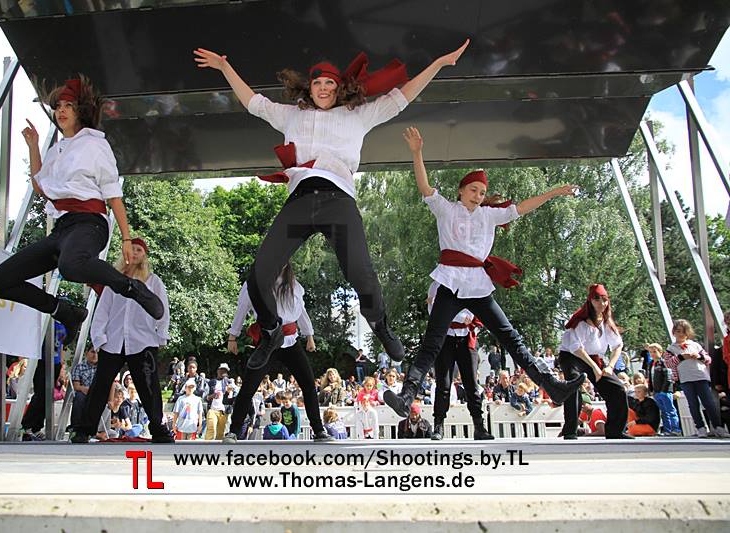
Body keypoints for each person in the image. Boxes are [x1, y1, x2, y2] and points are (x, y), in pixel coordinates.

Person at [193, 39, 472, 372]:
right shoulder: (291, 116)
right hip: (300, 200)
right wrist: (225, 67)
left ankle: (380, 324)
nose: (323, 88)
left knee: (361, 274)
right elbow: (253, 102)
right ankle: (270, 331)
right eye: (317, 83)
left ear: (339, 89)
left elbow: (402, 97)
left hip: (337, 200)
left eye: (329, 83)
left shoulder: (357, 116)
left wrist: (438, 64)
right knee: (258, 277)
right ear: (309, 88)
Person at [385, 127, 583, 418]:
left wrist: (554, 192)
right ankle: (407, 396)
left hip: (478, 286)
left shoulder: (490, 215)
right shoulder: (446, 210)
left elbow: (522, 207)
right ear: (461, 190)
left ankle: (551, 385)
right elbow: (425, 187)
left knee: (510, 337)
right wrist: (417, 153)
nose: (478, 196)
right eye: (473, 190)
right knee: (432, 342)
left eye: (482, 192)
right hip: (450, 282)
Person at [0, 76, 163, 346]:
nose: (61, 111)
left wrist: (126, 238)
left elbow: (113, 195)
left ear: (80, 111)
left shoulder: (95, 145)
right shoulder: (57, 150)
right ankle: (64, 311)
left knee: (70, 266)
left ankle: (132, 288)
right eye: (58, 107)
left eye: (68, 106)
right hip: (62, 229)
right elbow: (41, 186)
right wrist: (33, 147)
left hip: (90, 223)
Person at [70, 237, 173, 443]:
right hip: (114, 340)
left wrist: (161, 335)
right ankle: (84, 429)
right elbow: (103, 310)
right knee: (100, 385)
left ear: (144, 256)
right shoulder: (114, 281)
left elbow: (162, 310)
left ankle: (158, 428)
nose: (135, 253)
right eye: (132, 249)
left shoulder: (153, 281)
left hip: (143, 340)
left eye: (139, 250)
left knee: (149, 386)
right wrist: (99, 338)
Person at [223, 263, 332, 443]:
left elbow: (301, 311)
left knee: (308, 384)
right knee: (248, 387)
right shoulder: (255, 284)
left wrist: (309, 335)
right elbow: (242, 308)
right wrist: (232, 337)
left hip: (291, 341)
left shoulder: (294, 284)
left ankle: (319, 430)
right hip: (268, 341)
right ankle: (233, 431)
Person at [558, 284, 630, 440]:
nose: (601, 303)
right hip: (572, 356)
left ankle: (615, 430)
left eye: (604, 300)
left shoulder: (607, 323)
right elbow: (576, 348)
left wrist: (610, 366)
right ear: (590, 301)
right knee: (574, 385)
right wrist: (595, 368)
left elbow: (617, 346)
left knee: (617, 389)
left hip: (595, 358)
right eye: (597, 299)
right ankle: (570, 430)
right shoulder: (580, 322)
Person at [426, 281, 493, 441]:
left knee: (472, 384)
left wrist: (468, 321)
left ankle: (479, 426)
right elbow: (434, 311)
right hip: (445, 337)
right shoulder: (437, 285)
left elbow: (478, 311)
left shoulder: (472, 283)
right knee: (443, 384)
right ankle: (438, 425)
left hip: (466, 338)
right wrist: (460, 317)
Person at [664, 319, 729, 438]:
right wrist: (681, 357)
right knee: (693, 404)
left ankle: (718, 427)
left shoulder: (695, 345)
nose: (681, 334)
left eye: (684, 332)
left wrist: (699, 356)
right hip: (685, 379)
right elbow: (668, 363)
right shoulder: (671, 349)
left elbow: (708, 359)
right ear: (674, 332)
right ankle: (700, 427)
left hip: (701, 376)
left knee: (709, 403)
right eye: (678, 331)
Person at [647, 343, 680, 436]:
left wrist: (664, 390)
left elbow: (668, 377)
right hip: (656, 391)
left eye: (654, 351)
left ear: (660, 352)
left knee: (670, 410)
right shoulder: (651, 364)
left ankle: (676, 429)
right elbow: (650, 378)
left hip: (665, 391)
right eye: (650, 352)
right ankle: (667, 430)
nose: (652, 354)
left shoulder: (664, 363)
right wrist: (651, 390)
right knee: (663, 412)